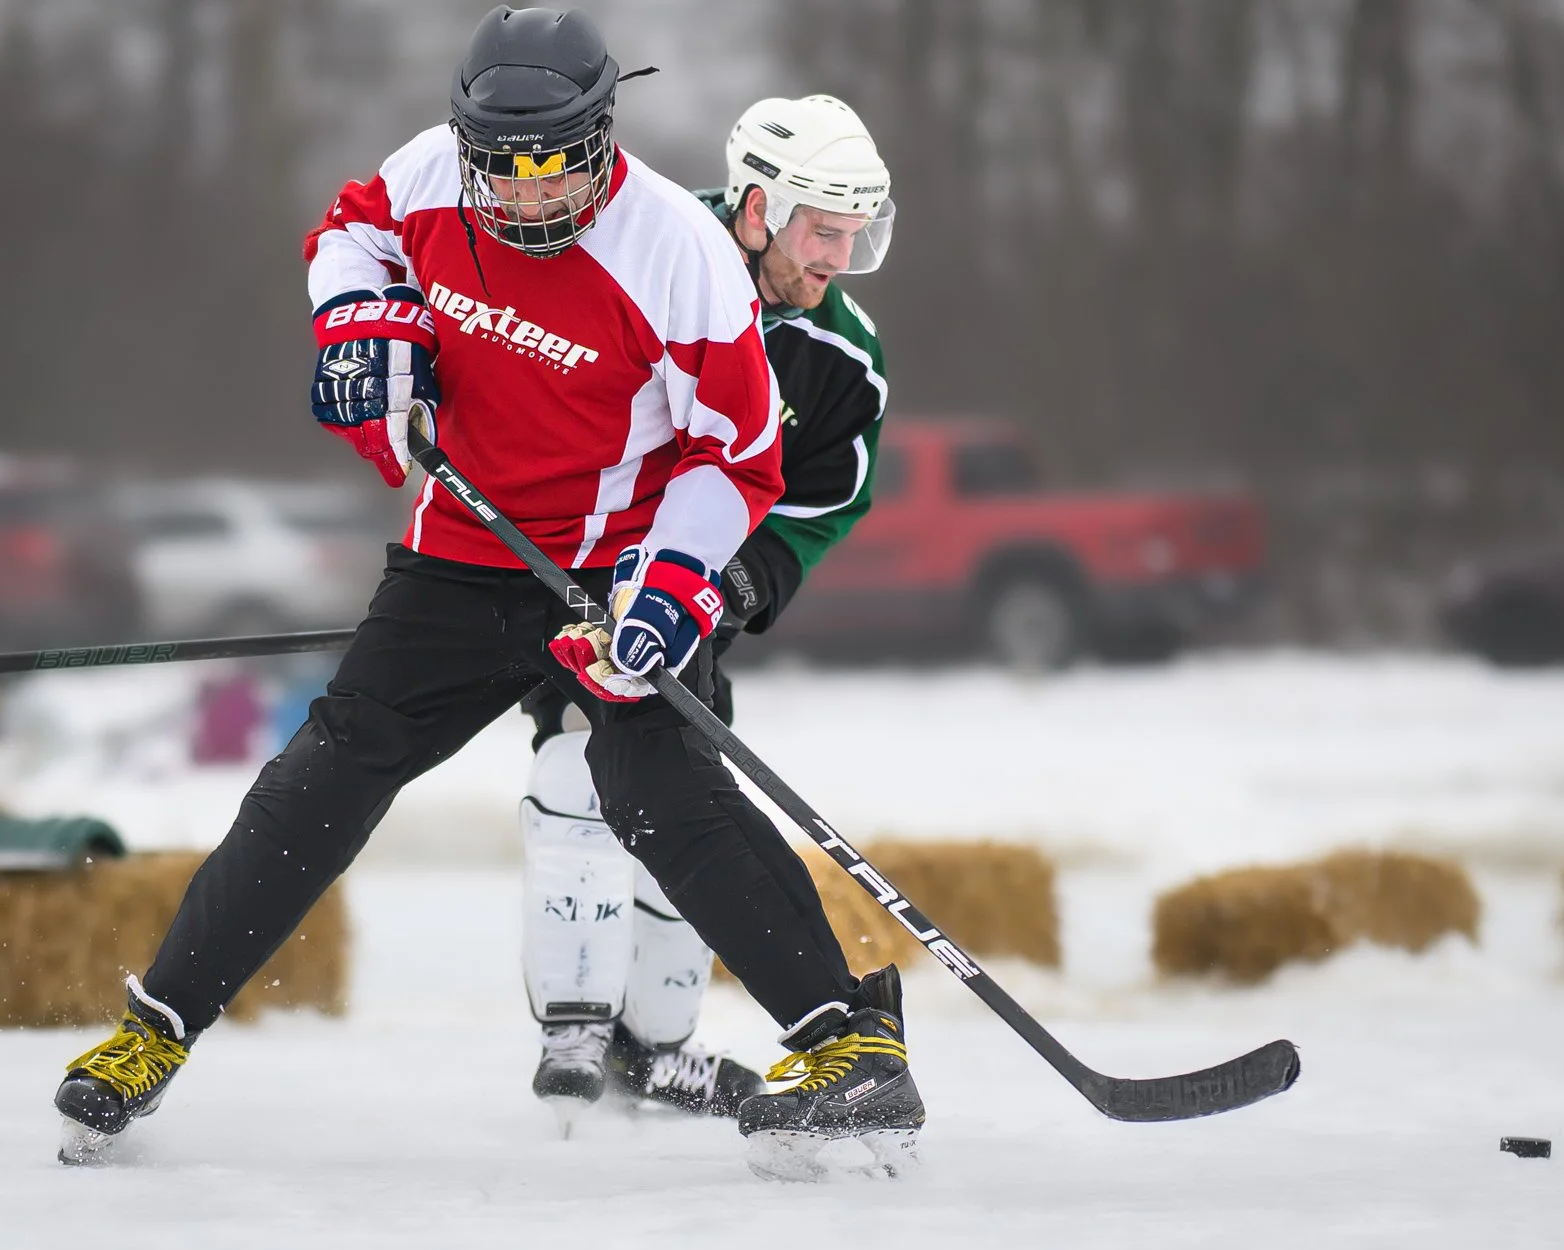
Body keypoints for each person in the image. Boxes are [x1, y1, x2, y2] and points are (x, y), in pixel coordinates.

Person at [50, 6, 923, 1181]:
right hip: (458, 556)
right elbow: (348, 237)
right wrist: (359, 322)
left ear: (601, 135)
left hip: (610, 572)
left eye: (554, 164)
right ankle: (152, 1028)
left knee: (655, 783)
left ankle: (848, 1043)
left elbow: (738, 456)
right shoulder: (427, 174)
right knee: (327, 769)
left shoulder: (677, 250)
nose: (523, 192)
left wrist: (671, 590)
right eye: (500, 168)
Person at [517, 94, 897, 1136]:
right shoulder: (638, 253)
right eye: (826, 231)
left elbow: (822, 503)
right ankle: (577, 1024)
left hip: (686, 612)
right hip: (560, 579)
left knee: (688, 806)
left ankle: (658, 1045)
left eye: (859, 234)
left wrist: (735, 583)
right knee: (574, 768)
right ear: (760, 206)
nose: (841, 259)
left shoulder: (841, 356)